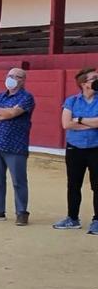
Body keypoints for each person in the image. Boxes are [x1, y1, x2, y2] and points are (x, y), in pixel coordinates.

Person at [0, 68, 35, 226]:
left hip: (15, 145)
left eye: (17, 77)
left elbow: (12, 114)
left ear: (23, 80)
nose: (12, 79)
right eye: (10, 76)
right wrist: (5, 112)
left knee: (19, 181)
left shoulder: (26, 97)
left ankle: (22, 212)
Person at [54, 68, 98, 233]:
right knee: (73, 185)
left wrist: (79, 119)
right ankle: (72, 218)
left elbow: (73, 122)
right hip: (75, 149)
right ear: (84, 83)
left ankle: (97, 220)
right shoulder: (71, 100)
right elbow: (66, 124)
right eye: (94, 78)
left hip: (96, 148)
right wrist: (92, 123)